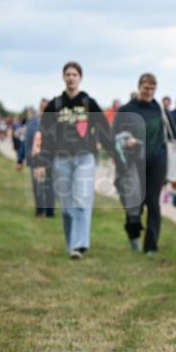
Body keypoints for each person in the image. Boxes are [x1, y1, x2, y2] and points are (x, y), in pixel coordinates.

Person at [34, 62, 117, 259]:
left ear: (80, 78)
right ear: (64, 78)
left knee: (82, 200)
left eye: (74, 74)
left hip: (84, 158)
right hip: (60, 160)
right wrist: (41, 162)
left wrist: (113, 153)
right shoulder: (54, 105)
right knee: (67, 207)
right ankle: (71, 243)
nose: (71, 78)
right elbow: (45, 136)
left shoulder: (89, 103)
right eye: (68, 74)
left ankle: (78, 246)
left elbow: (104, 130)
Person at [113, 73, 176, 255]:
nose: (149, 92)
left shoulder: (160, 110)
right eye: (146, 88)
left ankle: (151, 246)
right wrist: (125, 142)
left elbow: (175, 135)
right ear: (139, 87)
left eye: (152, 89)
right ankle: (133, 234)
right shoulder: (127, 109)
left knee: (153, 203)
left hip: (157, 160)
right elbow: (115, 135)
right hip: (132, 163)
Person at [19, 100, 56, 217]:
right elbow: (25, 142)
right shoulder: (32, 123)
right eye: (43, 107)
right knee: (37, 185)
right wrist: (19, 160)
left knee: (50, 186)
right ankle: (40, 210)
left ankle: (49, 211)